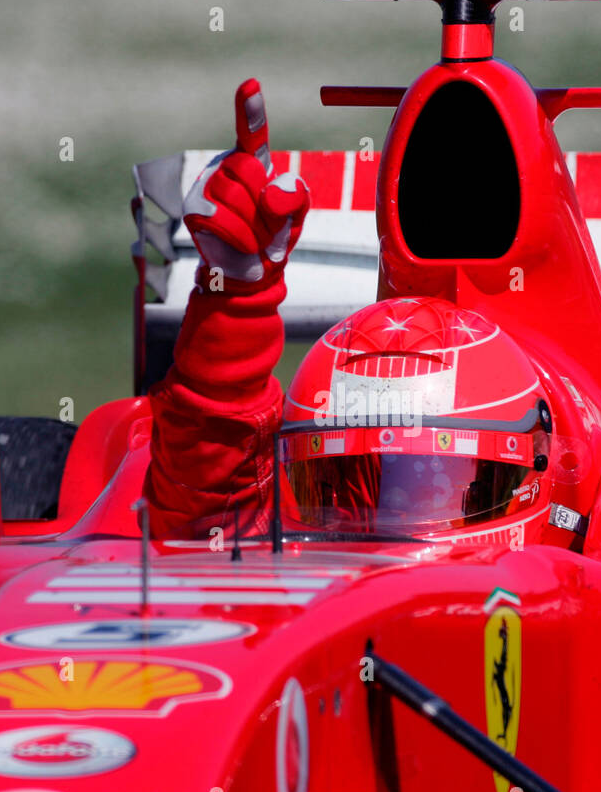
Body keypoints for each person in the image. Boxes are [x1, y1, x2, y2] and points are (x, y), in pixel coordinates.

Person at [145, 80, 565, 547]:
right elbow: (205, 532)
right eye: (323, 483)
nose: (389, 537)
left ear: (531, 472)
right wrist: (236, 302)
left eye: (441, 488)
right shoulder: (295, 537)